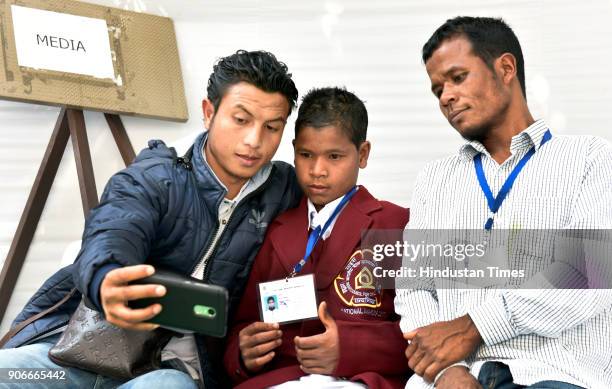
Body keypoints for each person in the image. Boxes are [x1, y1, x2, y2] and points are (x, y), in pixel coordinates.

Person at [0, 50, 302, 389]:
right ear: (209, 112)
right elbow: (115, 227)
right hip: (76, 352)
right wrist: (106, 279)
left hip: (171, 368)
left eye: (271, 127)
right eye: (241, 119)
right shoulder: (156, 177)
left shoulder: (285, 191)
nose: (254, 141)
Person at [394, 16, 612, 389]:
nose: (446, 96)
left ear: (506, 68)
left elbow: (588, 274)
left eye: (458, 77)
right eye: (437, 89)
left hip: (555, 374)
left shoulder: (590, 159)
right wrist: (446, 371)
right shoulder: (434, 180)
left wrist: (475, 326)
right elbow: (415, 289)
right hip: (454, 379)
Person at [224, 87, 411, 389]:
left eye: (334, 156)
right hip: (279, 380)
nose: (317, 171)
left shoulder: (398, 224)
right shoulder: (275, 229)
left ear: (362, 154)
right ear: (294, 150)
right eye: (306, 155)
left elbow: (429, 333)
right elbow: (242, 324)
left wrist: (351, 347)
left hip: (358, 380)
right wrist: (243, 352)